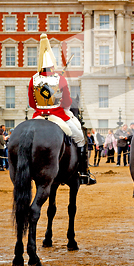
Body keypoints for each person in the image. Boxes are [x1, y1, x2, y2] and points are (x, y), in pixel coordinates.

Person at [28, 33, 96, 185]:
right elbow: (67, 102)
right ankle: (83, 172)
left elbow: (32, 103)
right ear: (52, 64)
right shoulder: (60, 78)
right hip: (57, 115)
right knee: (79, 138)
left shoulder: (34, 79)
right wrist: (56, 101)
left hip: (38, 115)